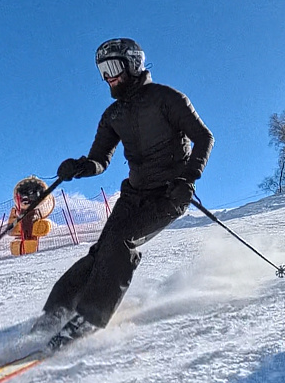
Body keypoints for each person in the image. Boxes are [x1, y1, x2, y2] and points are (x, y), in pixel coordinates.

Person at [41, 38, 214, 348]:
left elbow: (204, 138)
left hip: (169, 194)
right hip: (134, 194)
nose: (108, 77)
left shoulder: (167, 98)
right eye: (102, 71)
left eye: (113, 67)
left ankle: (90, 317)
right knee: (100, 252)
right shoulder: (113, 115)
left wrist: (187, 179)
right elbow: (100, 160)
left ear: (134, 64)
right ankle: (56, 313)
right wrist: (79, 167)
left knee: (122, 244)